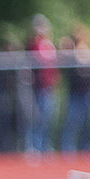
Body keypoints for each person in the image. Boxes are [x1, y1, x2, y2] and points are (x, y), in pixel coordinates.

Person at [57, 22, 90, 155]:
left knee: (88, 124)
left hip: (88, 92)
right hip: (75, 93)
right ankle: (67, 148)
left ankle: (86, 147)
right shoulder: (71, 51)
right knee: (71, 123)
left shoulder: (87, 51)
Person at [23, 14, 58, 157]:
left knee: (47, 118)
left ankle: (45, 146)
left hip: (48, 87)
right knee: (34, 117)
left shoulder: (49, 45)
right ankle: (32, 146)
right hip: (36, 88)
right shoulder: (33, 45)